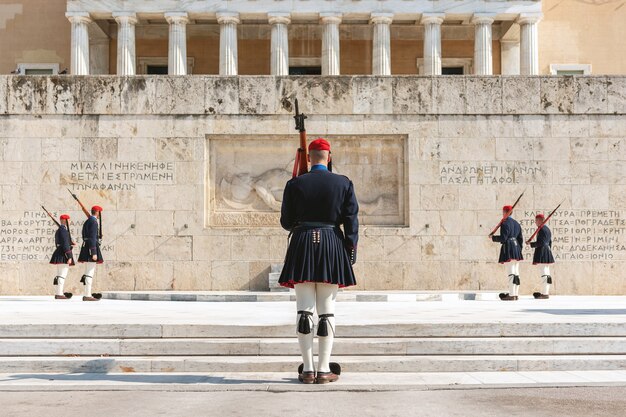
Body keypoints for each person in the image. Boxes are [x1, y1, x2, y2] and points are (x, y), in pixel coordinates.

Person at [278, 138, 359, 384]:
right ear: (329, 157)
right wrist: (349, 250)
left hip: (302, 243)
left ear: (309, 158)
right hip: (332, 242)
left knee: (304, 311)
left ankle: (308, 369)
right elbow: (351, 221)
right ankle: (324, 369)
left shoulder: (295, 184)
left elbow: (286, 222)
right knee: (327, 312)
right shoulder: (343, 183)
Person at [491, 205, 524, 301]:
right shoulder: (517, 223)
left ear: (505, 212)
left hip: (509, 246)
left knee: (511, 272)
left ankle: (511, 294)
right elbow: (520, 239)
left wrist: (493, 237)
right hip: (517, 246)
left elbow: (503, 238)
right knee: (516, 272)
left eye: (503, 212)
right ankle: (515, 294)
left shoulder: (505, 223)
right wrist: (519, 249)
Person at [77, 205, 103, 302]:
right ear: (97, 212)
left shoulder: (88, 221)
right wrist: (94, 252)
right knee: (89, 273)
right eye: (99, 212)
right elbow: (92, 237)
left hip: (86, 247)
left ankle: (87, 293)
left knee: (88, 272)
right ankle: (87, 295)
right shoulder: (93, 222)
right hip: (90, 248)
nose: (100, 215)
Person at [529, 213, 555, 299]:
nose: (535, 222)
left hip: (543, 251)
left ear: (540, 220)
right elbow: (550, 242)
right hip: (547, 250)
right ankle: (545, 292)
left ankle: (545, 293)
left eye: (536, 220)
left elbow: (541, 242)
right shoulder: (547, 229)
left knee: (544, 273)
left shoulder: (542, 229)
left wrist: (531, 244)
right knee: (546, 273)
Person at [49, 214, 75, 299]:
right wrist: (69, 256)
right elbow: (65, 245)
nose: (70, 222)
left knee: (60, 274)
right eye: (69, 220)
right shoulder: (63, 231)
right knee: (62, 274)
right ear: (65, 221)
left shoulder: (59, 230)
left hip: (60, 252)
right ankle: (59, 294)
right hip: (64, 254)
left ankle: (59, 292)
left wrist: (71, 244)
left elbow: (60, 243)